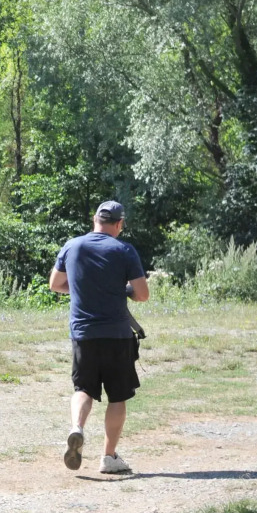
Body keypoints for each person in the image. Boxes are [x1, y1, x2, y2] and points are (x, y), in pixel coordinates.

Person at [50, 202, 150, 476]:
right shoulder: (124, 250)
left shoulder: (73, 246)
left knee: (83, 389)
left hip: (84, 334)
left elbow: (56, 284)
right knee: (117, 396)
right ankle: (108, 457)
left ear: (95, 220)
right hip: (117, 335)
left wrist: (85, 286)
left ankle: (77, 428)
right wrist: (124, 289)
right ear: (119, 224)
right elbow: (142, 294)